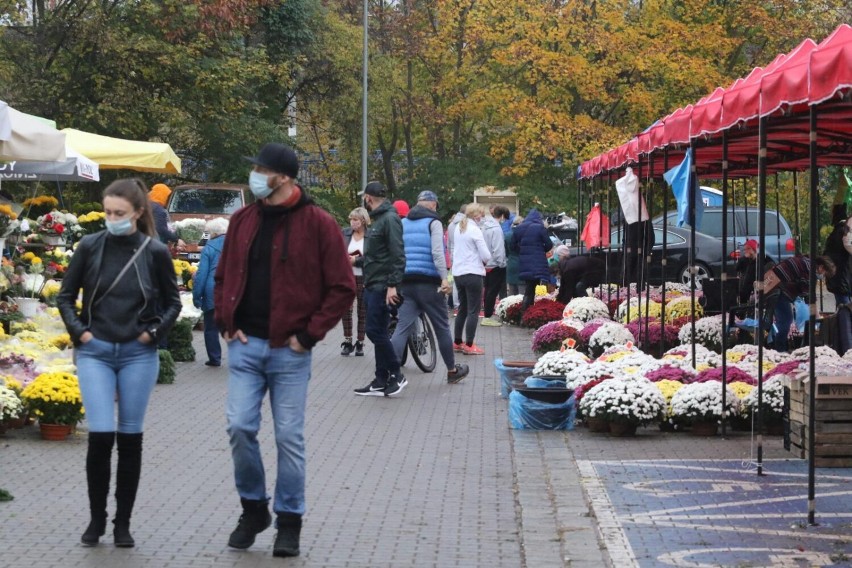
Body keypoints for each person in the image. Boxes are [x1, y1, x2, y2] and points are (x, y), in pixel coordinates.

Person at [214, 143, 355, 557]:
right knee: (239, 427)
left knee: (289, 437)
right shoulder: (243, 220)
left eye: (261, 169)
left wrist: (309, 336)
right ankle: (254, 508)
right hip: (245, 346)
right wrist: (226, 321)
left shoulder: (318, 224)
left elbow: (343, 286)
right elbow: (223, 276)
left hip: (291, 351)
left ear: (284, 177)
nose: (255, 175)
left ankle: (289, 521)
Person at [56, 178, 182, 548]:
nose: (111, 218)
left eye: (119, 213)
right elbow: (66, 296)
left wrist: (152, 334)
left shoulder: (154, 251)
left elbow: (173, 303)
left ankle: (123, 522)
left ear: (138, 213)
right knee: (99, 435)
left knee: (130, 438)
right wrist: (81, 334)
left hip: (137, 353)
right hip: (95, 350)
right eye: (108, 212)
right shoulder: (90, 246)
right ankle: (97, 519)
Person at [390, 190, 470, 383]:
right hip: (429, 284)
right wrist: (444, 278)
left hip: (406, 282)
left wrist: (393, 282)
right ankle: (452, 371)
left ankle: (389, 373)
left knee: (401, 328)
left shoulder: (403, 223)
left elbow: (396, 253)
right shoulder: (433, 223)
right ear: (433, 205)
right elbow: (437, 252)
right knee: (442, 327)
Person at [353, 181, 407, 397]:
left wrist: (393, 285)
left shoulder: (389, 219)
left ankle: (396, 373)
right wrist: (355, 262)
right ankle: (380, 379)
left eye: (364, 197)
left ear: (368, 198)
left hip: (382, 285)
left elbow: (397, 254)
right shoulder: (379, 220)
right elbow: (378, 255)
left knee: (374, 331)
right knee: (379, 331)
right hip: (373, 282)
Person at [762, 254, 836, 352]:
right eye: (824, 273)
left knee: (784, 319)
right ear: (821, 267)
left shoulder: (807, 262)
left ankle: (779, 346)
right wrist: (818, 318)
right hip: (776, 289)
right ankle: (780, 350)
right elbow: (809, 299)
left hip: (771, 283)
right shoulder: (810, 271)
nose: (823, 276)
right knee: (786, 320)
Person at [451, 203, 492, 355]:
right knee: (473, 311)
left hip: (458, 272)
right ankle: (469, 344)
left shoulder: (458, 228)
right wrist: (486, 261)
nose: (482, 217)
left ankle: (457, 341)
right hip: (473, 273)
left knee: (462, 308)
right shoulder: (475, 230)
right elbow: (486, 255)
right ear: (476, 216)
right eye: (481, 215)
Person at [192, 217, 228, 366]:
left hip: (212, 290)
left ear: (213, 233)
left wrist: (196, 296)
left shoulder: (210, 247)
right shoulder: (237, 244)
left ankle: (215, 358)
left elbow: (201, 275)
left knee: (211, 327)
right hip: (233, 290)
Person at [512, 208, 553, 314]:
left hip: (524, 262)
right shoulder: (540, 228)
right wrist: (541, 250)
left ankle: (525, 313)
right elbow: (549, 244)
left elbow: (512, 245)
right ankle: (531, 313)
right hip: (538, 263)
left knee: (529, 288)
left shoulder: (519, 228)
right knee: (536, 288)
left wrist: (522, 251)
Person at [341, 207, 369, 356]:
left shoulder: (371, 236)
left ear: (363, 220)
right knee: (346, 309)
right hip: (347, 276)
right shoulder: (345, 233)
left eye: (355, 219)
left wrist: (356, 260)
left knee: (362, 311)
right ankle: (347, 341)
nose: (352, 222)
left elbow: (373, 257)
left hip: (364, 276)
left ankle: (360, 342)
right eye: (351, 219)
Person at [480, 206, 507, 327]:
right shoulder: (497, 229)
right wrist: (501, 263)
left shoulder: (484, 226)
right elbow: (498, 249)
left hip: (486, 263)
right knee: (493, 291)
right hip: (496, 264)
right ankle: (488, 316)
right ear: (501, 216)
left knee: (487, 290)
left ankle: (486, 313)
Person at [824, 213, 852, 307]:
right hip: (842, 279)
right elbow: (848, 246)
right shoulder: (844, 232)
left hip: (839, 278)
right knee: (845, 309)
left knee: (843, 307)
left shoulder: (837, 232)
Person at [148, 183, 186, 252]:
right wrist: (177, 240)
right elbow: (161, 229)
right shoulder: (159, 210)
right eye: (166, 196)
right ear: (162, 195)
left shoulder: (146, 206)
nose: (166, 198)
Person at [735, 239, 761, 304]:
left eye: (748, 249)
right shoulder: (743, 260)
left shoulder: (759, 261)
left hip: (754, 289)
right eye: (745, 249)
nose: (746, 251)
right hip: (743, 288)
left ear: (754, 249)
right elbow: (736, 269)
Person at [505, 215, 524, 295]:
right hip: (522, 265)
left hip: (511, 264)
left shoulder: (507, 235)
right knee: (522, 294)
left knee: (511, 296)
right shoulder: (524, 235)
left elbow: (506, 252)